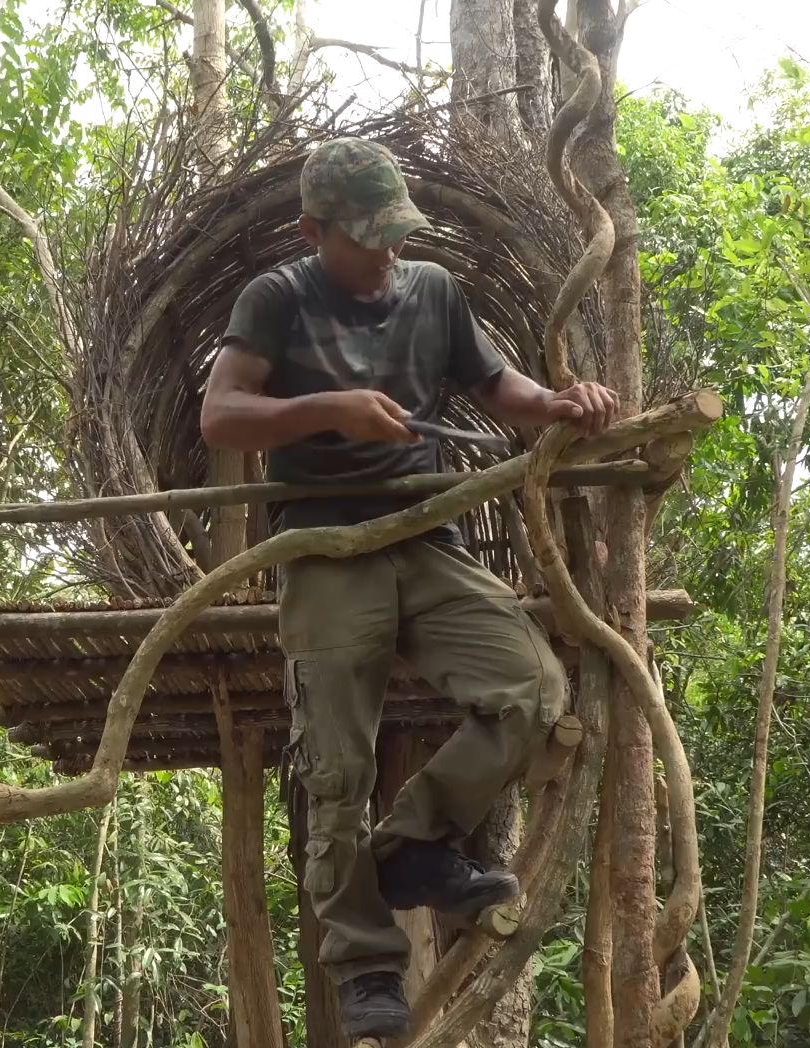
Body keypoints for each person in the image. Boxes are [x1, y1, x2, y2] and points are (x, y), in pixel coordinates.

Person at [199, 136, 618, 1041]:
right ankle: (365, 966)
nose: (389, 252)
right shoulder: (275, 298)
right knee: (336, 767)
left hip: (430, 535)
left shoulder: (432, 289)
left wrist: (554, 402)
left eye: (398, 233)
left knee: (533, 692)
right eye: (368, 236)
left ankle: (412, 848)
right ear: (314, 231)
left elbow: (493, 382)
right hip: (326, 545)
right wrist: (326, 410)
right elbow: (222, 415)